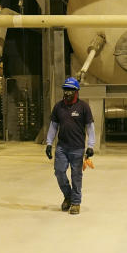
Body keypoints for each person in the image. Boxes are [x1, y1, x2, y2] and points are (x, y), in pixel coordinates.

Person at [45, 77, 96, 215]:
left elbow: (90, 128)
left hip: (78, 148)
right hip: (62, 147)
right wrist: (49, 144)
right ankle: (68, 196)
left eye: (70, 90)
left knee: (76, 176)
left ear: (76, 91)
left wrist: (90, 146)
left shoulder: (83, 107)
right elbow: (53, 126)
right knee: (59, 172)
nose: (67, 93)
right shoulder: (58, 107)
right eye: (65, 90)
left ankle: (75, 203)